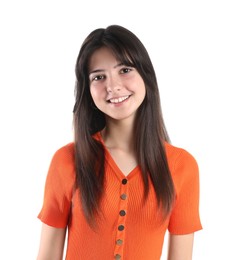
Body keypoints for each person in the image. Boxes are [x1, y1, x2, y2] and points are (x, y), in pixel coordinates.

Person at [37, 25, 202, 260]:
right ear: (88, 89)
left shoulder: (182, 166)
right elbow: (47, 256)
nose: (113, 86)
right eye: (99, 77)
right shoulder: (67, 160)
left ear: (146, 75)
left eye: (124, 70)